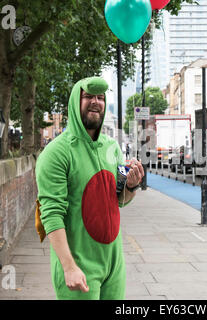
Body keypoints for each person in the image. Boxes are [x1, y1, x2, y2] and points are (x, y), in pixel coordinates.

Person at [35, 77, 144, 300]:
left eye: (100, 97)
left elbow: (119, 198)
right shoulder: (56, 152)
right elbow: (51, 214)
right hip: (79, 264)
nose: (95, 102)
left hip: (114, 265)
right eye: (88, 96)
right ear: (76, 102)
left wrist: (131, 185)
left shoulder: (113, 147)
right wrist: (68, 267)